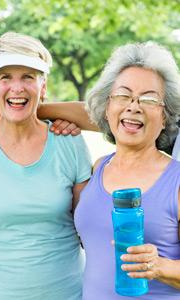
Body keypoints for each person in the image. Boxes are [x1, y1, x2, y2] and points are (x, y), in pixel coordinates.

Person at [0, 31, 92, 299]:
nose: (17, 88)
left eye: (28, 77)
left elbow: (89, 227)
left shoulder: (69, 142)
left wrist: (41, 110)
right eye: (6, 77)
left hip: (68, 292)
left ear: (43, 86)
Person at [74, 42, 180, 299]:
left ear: (165, 116)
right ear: (107, 106)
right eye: (123, 95)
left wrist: (161, 267)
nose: (134, 106)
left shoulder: (176, 181)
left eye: (149, 98)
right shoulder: (99, 166)